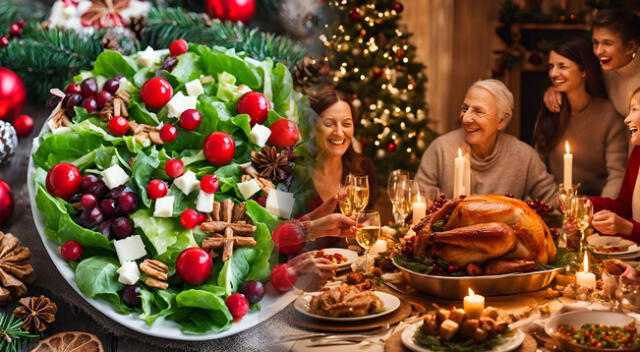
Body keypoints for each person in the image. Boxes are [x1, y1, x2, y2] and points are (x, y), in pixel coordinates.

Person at [415, 79, 557, 204]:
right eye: (465, 108)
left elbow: (554, 204)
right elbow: (418, 202)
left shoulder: (525, 157)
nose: (465, 119)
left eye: (478, 111)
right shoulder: (440, 149)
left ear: (501, 121)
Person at [533, 37, 627, 197]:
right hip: (558, 204)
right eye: (551, 66)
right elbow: (537, 167)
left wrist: (595, 211)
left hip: (596, 207)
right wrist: (558, 205)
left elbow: (617, 175)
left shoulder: (608, 115)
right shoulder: (552, 107)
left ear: (583, 71)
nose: (554, 73)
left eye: (562, 66)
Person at [544, 9, 640, 116]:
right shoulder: (604, 67)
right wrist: (554, 90)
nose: (598, 51)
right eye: (596, 42)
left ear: (631, 46)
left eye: (607, 43)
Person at [308, 88, 376, 211]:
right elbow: (278, 226)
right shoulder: (290, 172)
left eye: (346, 124)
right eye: (329, 124)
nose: (339, 133)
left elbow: (365, 220)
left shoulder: (364, 168)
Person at [591, 87, 640, 243]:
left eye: (635, 109)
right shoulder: (637, 154)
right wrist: (589, 205)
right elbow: (625, 206)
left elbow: (627, 224)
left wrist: (627, 228)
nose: (626, 119)